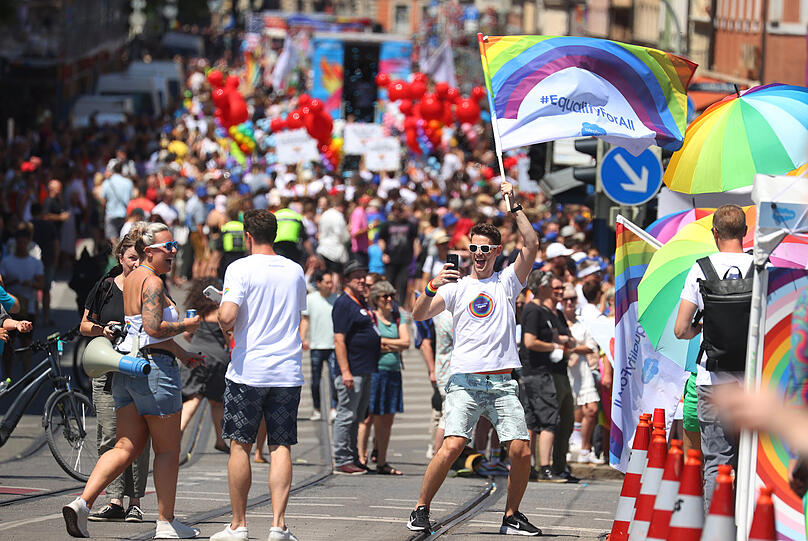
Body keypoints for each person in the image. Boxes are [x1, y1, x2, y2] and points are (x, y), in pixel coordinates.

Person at [407, 181, 542, 536]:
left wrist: (514, 207)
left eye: (485, 248)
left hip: (501, 382)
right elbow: (418, 314)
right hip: (465, 381)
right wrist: (432, 285)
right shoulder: (455, 287)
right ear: (468, 251)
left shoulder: (508, 282)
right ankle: (421, 507)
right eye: (474, 248)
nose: (478, 253)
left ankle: (512, 515)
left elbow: (531, 244)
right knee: (452, 445)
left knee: (521, 451)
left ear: (496, 250)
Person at [62, 223, 203, 539]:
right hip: (154, 373)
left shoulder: (134, 277)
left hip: (128, 369)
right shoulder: (151, 281)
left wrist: (183, 354)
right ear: (150, 250)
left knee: (125, 445)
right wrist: (187, 323)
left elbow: (140, 332)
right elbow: (153, 330)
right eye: (169, 247)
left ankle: (82, 502)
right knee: (167, 450)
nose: (175, 252)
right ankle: (166, 522)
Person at [213, 209, 307, 541]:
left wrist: (224, 319)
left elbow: (227, 315)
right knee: (281, 445)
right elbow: (297, 314)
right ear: (276, 234)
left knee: (240, 445)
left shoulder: (238, 268)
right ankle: (278, 525)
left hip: (248, 371)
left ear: (248, 237)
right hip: (286, 371)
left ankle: (238, 525)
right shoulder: (295, 270)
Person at [674, 204, 753, 512]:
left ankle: (716, 529)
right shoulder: (763, 266)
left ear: (715, 233)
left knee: (717, 464)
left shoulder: (701, 269)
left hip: (713, 381)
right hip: (753, 382)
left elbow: (681, 329)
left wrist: (701, 326)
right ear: (745, 232)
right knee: (751, 462)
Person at [79, 226, 150, 523]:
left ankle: (135, 502)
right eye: (131, 257)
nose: (135, 263)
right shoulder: (106, 286)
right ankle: (115, 501)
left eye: (140, 258)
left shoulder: (151, 286)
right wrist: (102, 329)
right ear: (120, 257)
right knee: (109, 434)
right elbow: (84, 325)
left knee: (136, 439)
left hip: (137, 371)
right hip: (108, 368)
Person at [519, 271, 572, 483]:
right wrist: (554, 346)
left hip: (538, 371)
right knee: (548, 420)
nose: (555, 289)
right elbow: (529, 342)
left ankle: (531, 467)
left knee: (533, 421)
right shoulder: (533, 310)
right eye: (551, 285)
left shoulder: (541, 310)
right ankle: (545, 468)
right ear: (542, 287)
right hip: (537, 372)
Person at [331, 259, 380, 475]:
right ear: (346, 280)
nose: (361, 280)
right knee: (346, 415)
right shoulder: (344, 303)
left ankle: (351, 457)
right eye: (356, 276)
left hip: (365, 368)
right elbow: (339, 340)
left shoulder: (360, 302)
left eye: (363, 275)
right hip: (352, 370)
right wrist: (345, 372)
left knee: (357, 416)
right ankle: (342, 458)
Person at [179, 277, 230, 454]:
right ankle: (221, 441)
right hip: (218, 358)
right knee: (217, 402)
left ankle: (177, 434)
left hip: (195, 354)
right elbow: (228, 338)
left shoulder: (197, 313)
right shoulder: (222, 312)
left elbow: (186, 335)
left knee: (193, 397)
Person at [368, 280, 409, 475]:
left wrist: (385, 344)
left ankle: (382, 460)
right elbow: (372, 342)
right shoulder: (371, 317)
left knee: (388, 420)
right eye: (385, 296)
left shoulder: (397, 317)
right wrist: (393, 343)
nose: (389, 299)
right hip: (376, 371)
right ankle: (362, 456)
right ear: (376, 299)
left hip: (393, 372)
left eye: (392, 295)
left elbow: (406, 342)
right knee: (372, 418)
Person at [561, 285, 602, 464]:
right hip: (565, 372)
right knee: (568, 412)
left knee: (591, 409)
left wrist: (572, 347)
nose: (569, 302)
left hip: (583, 371)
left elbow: (591, 346)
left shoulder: (581, 322)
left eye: (572, 299)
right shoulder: (557, 321)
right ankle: (567, 446)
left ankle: (585, 448)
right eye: (566, 299)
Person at [300, 269, 339, 422]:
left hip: (333, 346)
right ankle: (317, 409)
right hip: (316, 345)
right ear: (319, 283)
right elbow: (305, 320)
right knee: (315, 380)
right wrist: (302, 338)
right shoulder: (311, 299)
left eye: (332, 282)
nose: (330, 285)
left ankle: (333, 408)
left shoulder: (337, 299)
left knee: (334, 379)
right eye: (327, 282)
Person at [377, 201, 418, 308]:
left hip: (405, 260)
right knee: (389, 284)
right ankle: (389, 306)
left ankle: (401, 307)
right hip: (391, 259)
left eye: (399, 210)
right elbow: (381, 240)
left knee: (403, 284)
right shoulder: (387, 224)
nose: (397, 212)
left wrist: (415, 256)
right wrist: (383, 254)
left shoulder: (410, 225)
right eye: (395, 210)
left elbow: (415, 240)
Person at [101, 160, 134, 243]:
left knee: (112, 239)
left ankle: (115, 254)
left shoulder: (107, 182)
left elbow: (103, 199)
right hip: (124, 213)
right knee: (123, 237)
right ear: (122, 170)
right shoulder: (128, 182)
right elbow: (131, 198)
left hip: (111, 213)